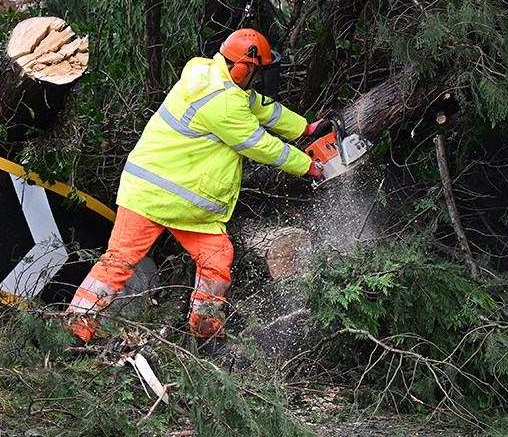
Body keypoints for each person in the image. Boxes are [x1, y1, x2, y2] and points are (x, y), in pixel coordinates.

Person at [65, 28, 332, 356]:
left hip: (186, 205)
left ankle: (206, 337)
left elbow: (262, 109)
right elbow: (257, 144)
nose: (259, 80)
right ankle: (72, 331)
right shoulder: (220, 99)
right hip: (150, 194)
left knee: (217, 260)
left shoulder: (215, 76)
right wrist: (308, 165)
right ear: (242, 69)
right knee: (119, 263)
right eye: (258, 73)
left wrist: (304, 128)